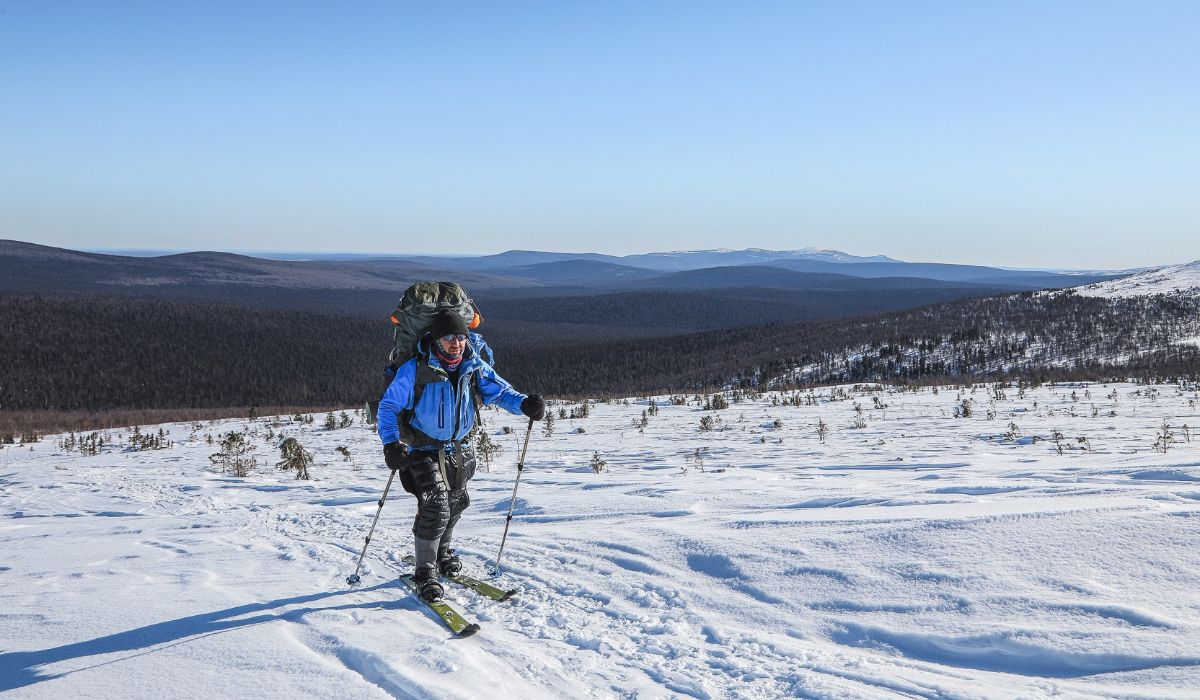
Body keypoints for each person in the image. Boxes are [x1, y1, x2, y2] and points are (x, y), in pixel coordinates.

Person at [377, 309, 545, 602]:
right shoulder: (415, 369)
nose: (456, 343)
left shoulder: (473, 366)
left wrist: (525, 405)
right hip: (421, 450)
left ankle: (442, 554)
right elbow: (388, 407)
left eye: (460, 337)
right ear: (436, 340)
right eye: (448, 337)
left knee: (457, 503)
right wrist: (391, 444)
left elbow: (501, 392)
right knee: (436, 507)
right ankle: (425, 572)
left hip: (460, 449)